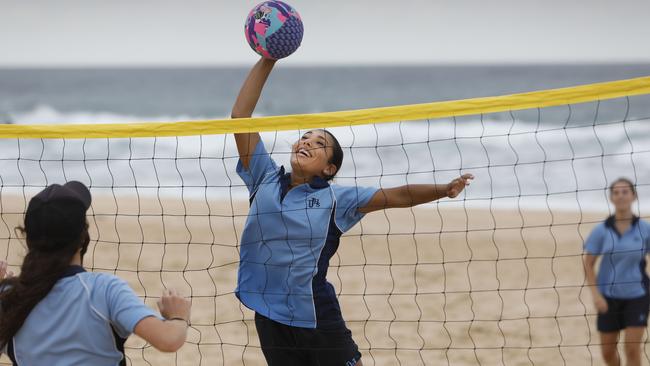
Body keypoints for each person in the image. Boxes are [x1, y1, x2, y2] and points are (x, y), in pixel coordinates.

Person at [231, 58, 474, 366]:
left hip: (315, 313)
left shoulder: (337, 199)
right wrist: (269, 59)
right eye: (305, 137)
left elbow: (397, 195)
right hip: (269, 315)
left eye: (319, 143)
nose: (307, 141)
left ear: (329, 167)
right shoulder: (263, 176)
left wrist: (444, 189)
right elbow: (240, 115)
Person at [0, 181, 192, 365]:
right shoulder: (104, 290)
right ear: (82, 238)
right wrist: (178, 316)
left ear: (28, 239)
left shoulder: (10, 296)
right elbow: (169, 340)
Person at [584, 178, 650, 366]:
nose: (621, 196)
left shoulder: (645, 229)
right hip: (608, 297)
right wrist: (596, 295)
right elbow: (588, 263)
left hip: (638, 295)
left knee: (632, 348)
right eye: (616, 192)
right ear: (611, 198)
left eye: (625, 192)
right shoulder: (601, 230)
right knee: (607, 352)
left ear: (634, 196)